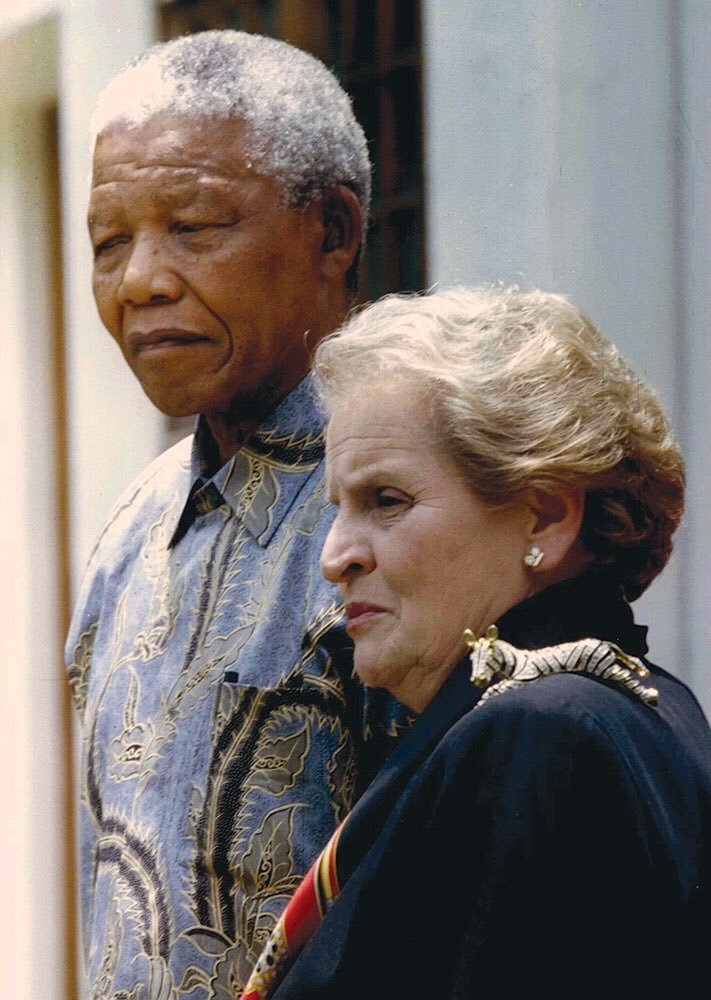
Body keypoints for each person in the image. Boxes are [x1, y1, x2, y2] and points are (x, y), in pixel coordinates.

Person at [241, 287, 711, 998]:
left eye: (385, 501)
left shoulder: (542, 734)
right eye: (337, 508)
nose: (334, 557)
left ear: (544, 517)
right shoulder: (634, 705)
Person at [65, 30, 406, 998]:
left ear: (332, 233)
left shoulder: (414, 513)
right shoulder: (131, 529)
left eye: (195, 226)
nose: (141, 279)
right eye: (109, 242)